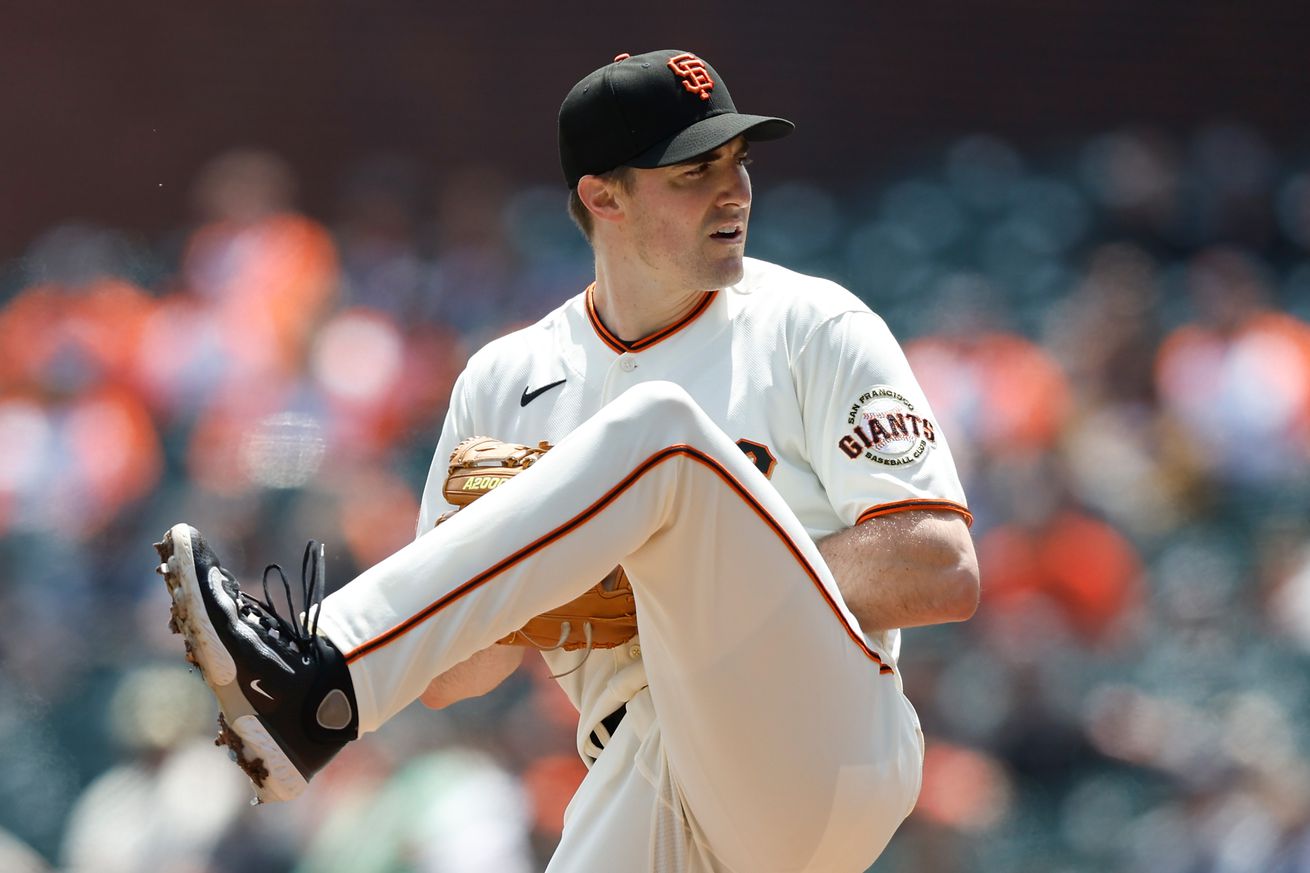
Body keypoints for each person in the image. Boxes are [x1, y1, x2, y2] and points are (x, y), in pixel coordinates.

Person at [156, 48, 980, 872]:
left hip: (814, 742)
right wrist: (546, 591)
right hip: (642, 774)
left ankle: (318, 676)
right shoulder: (503, 381)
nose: (733, 191)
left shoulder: (813, 326)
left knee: (662, 436)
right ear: (602, 194)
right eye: (694, 171)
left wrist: (659, 577)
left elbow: (942, 566)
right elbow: (451, 672)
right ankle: (321, 689)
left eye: (739, 162)